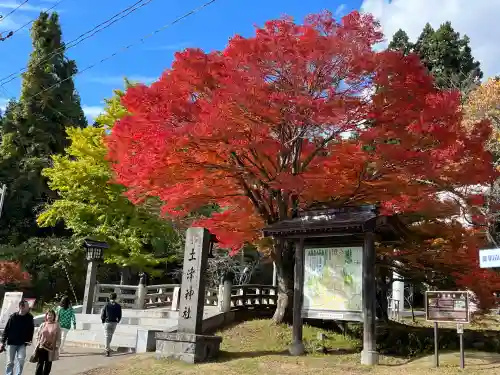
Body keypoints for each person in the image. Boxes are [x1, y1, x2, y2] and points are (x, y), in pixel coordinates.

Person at [1, 299, 34, 375]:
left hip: (22, 343)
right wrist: (2, 342)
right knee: (10, 362)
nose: (28, 307)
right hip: (11, 342)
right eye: (27, 306)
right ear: (21, 307)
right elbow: (6, 330)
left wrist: (29, 339)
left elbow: (31, 329)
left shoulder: (29, 317)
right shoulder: (13, 317)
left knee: (21, 360)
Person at [34, 310, 61, 375]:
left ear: (54, 316)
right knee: (40, 364)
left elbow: (59, 337)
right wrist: (37, 344)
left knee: (48, 365)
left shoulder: (56, 325)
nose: (50, 316)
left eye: (51, 315)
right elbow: (38, 335)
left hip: (51, 348)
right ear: (46, 316)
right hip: (41, 347)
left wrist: (57, 345)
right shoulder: (43, 324)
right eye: (48, 315)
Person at [100, 292, 122, 357]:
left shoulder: (106, 305)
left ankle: (107, 350)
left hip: (107, 322)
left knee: (107, 336)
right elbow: (120, 315)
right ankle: (108, 347)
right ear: (116, 298)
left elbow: (103, 314)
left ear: (109, 298)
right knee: (110, 335)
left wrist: (103, 320)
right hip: (114, 322)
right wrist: (118, 321)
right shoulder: (118, 306)